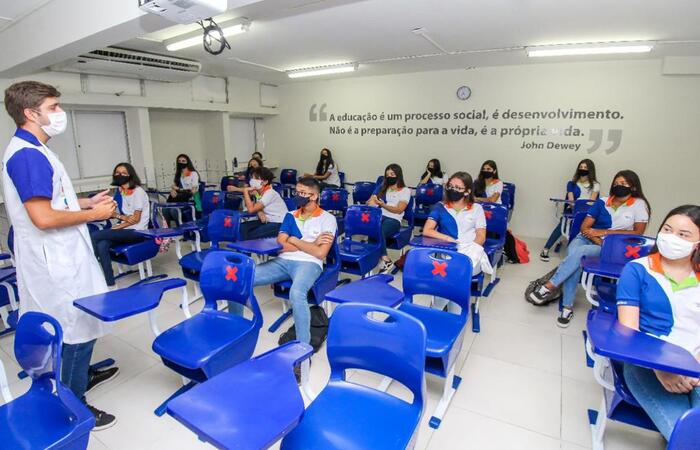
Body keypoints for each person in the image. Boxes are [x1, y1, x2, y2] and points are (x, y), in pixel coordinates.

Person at [2, 81, 118, 428]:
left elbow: (51, 203)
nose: (59, 113)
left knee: (82, 322)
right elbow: (43, 217)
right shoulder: (27, 155)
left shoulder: (35, 149)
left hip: (62, 256)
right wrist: (94, 216)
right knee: (75, 328)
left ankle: (79, 377)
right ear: (30, 113)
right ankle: (72, 403)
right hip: (56, 263)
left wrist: (85, 202)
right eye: (53, 107)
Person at [616, 205, 700, 442]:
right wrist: (663, 370)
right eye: (667, 229)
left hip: (696, 366)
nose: (672, 238)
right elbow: (628, 333)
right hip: (649, 365)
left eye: (683, 235)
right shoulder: (638, 271)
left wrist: (694, 368)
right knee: (688, 439)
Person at [529, 170, 650, 327]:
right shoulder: (602, 202)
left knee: (580, 253)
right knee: (576, 255)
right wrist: (598, 240)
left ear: (633, 187)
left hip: (614, 248)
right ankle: (567, 307)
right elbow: (585, 227)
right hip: (588, 239)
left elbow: (638, 233)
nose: (619, 186)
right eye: (617, 183)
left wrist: (605, 234)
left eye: (624, 184)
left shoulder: (639, 205)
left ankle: (550, 287)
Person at [231, 177, 336, 355]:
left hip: (309, 264)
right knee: (240, 279)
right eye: (297, 192)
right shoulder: (290, 215)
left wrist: (294, 240)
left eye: (303, 193)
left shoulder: (327, 219)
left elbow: (320, 253)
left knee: (297, 293)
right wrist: (308, 242)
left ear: (315, 196)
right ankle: (234, 332)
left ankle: (302, 350)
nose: (299, 196)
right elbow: (281, 245)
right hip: (284, 260)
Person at [90, 163, 150, 287]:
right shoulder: (121, 191)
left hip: (138, 231)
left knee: (94, 236)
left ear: (130, 175)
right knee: (102, 244)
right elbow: (115, 215)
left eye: (123, 173)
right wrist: (121, 218)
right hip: (126, 230)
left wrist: (117, 227)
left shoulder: (138, 191)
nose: (119, 175)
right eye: (117, 173)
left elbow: (135, 220)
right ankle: (109, 282)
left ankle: (91, 274)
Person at [423, 171, 493, 276]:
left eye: (457, 188)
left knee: (463, 271)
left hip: (471, 250)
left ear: (467, 192)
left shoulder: (477, 209)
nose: (453, 190)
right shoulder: (440, 207)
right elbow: (427, 230)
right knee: (445, 270)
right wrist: (448, 239)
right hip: (447, 249)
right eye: (450, 186)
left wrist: (471, 250)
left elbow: (481, 236)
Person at [540, 159, 600, 262]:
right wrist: (576, 208)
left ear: (590, 170)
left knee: (588, 226)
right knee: (562, 224)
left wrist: (583, 211)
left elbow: (592, 201)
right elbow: (571, 200)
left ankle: (576, 254)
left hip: (588, 212)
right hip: (573, 209)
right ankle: (545, 249)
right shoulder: (571, 184)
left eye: (585, 168)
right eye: (581, 167)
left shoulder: (595, 185)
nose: (583, 169)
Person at [368, 164, 411, 274]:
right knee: (372, 231)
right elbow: (369, 202)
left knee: (377, 231)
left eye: (392, 174)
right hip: (380, 216)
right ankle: (381, 261)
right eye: (387, 175)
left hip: (394, 220)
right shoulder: (383, 188)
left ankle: (385, 260)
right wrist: (373, 202)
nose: (389, 177)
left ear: (398, 175)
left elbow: (399, 210)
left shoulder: (405, 190)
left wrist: (383, 205)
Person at [240, 167, 288, 239]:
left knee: (252, 235)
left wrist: (245, 191)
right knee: (242, 227)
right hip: (268, 220)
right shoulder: (258, 193)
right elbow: (254, 205)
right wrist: (259, 211)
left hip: (280, 223)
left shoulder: (270, 193)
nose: (252, 180)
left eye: (256, 178)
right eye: (252, 178)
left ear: (265, 182)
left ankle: (251, 248)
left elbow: (251, 209)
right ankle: (247, 248)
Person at [162, 154, 201, 226]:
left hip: (190, 199)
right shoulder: (178, 174)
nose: (181, 163)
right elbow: (174, 186)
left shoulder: (193, 174)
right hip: (178, 199)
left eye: (183, 161)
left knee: (174, 211)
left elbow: (193, 190)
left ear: (187, 162)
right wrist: (173, 191)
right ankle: (168, 230)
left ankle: (180, 229)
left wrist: (179, 189)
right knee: (165, 210)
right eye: (179, 161)